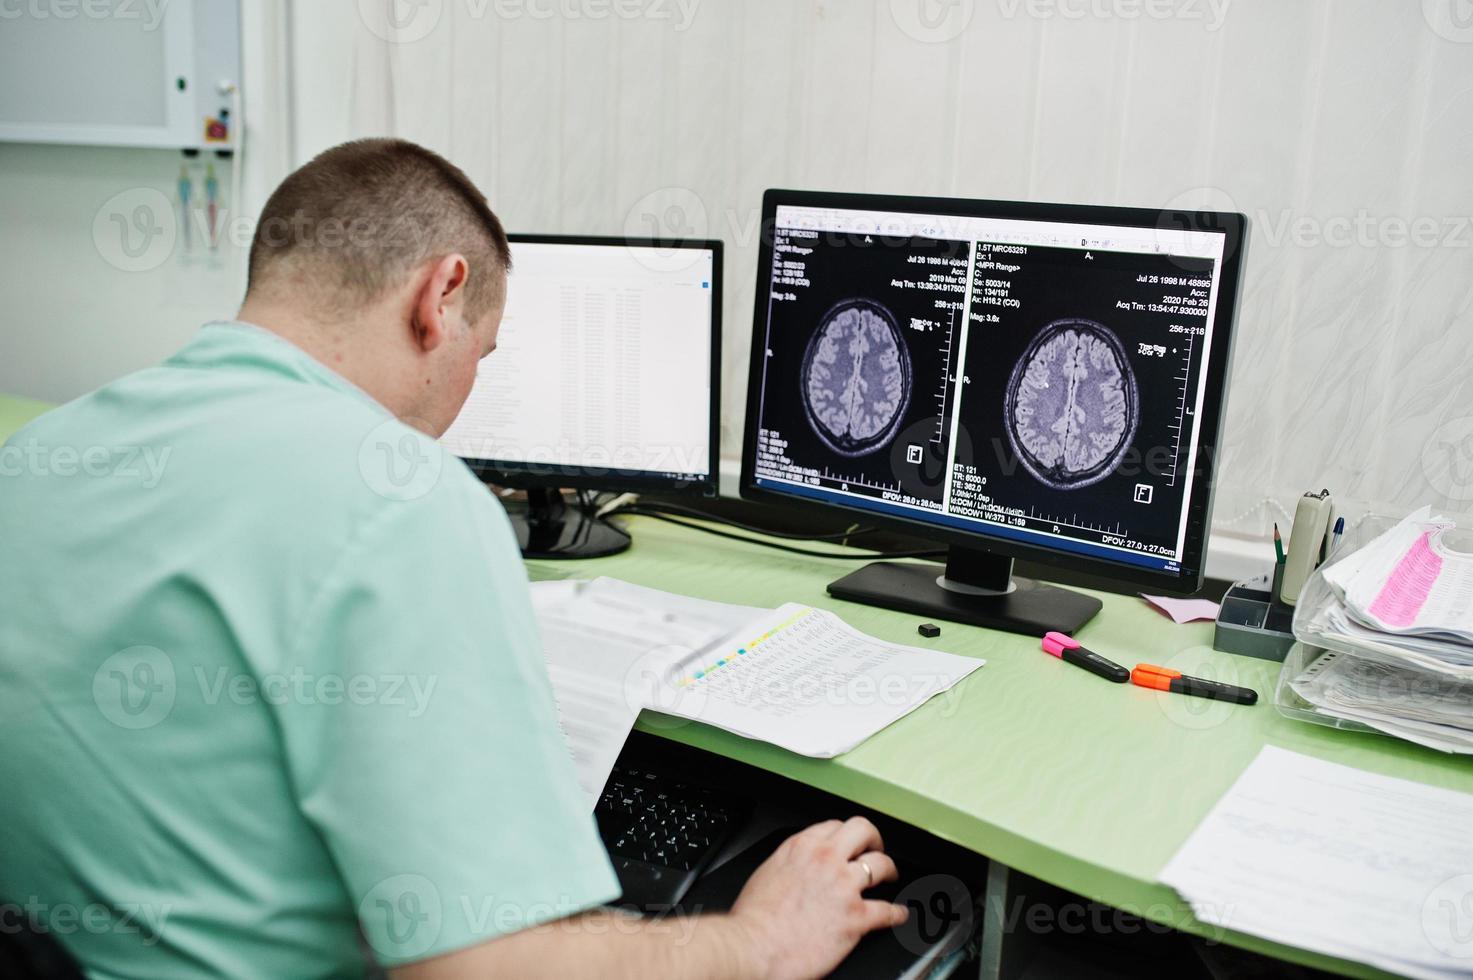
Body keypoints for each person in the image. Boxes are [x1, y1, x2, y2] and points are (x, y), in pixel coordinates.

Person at [0, 138, 906, 979]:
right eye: (487, 349)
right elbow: (476, 967)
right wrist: (759, 939)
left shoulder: (44, 452)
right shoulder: (400, 503)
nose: (472, 386)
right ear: (440, 297)